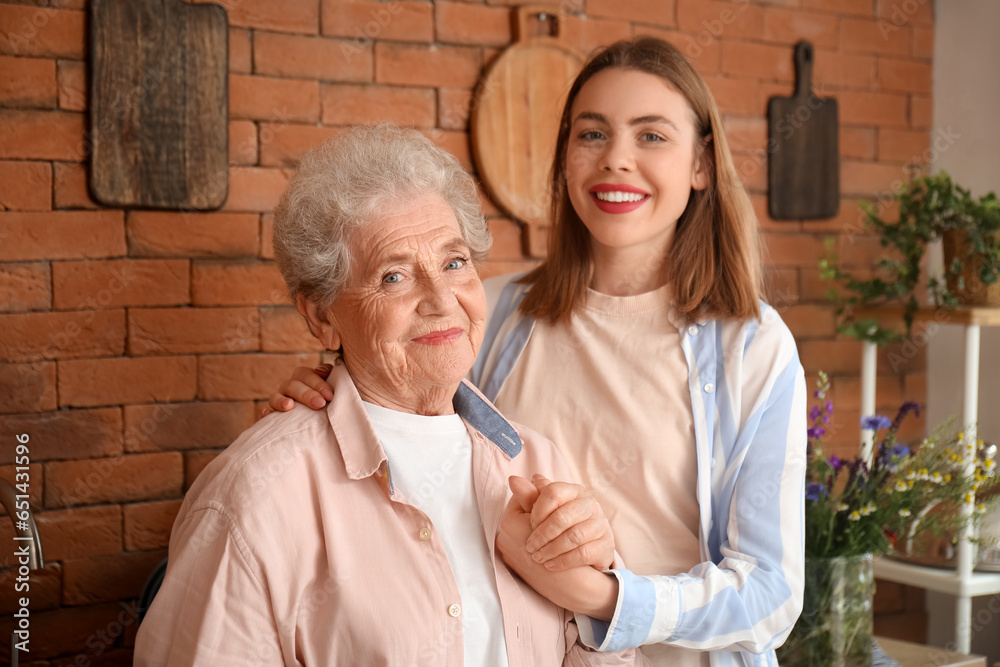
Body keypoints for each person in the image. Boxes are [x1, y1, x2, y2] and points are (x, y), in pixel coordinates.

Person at [266, 37, 807, 666]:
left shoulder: (752, 345)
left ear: (702, 165)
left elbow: (771, 594)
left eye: (652, 136)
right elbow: (403, 440)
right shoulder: (488, 313)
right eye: (592, 135)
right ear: (565, 160)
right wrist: (322, 401)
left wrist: (605, 599)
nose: (617, 161)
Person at [133, 124, 648, 667]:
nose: (441, 300)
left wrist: (594, 590)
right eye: (394, 276)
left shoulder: (535, 460)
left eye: (454, 263)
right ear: (322, 316)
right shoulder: (255, 496)